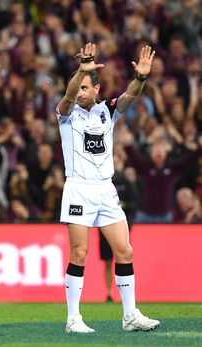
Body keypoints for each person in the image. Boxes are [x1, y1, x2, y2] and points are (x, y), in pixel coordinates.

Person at [56, 43, 160, 333]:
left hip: (105, 190)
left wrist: (140, 78)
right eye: (79, 87)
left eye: (86, 88)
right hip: (78, 188)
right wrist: (82, 70)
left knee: (124, 251)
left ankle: (129, 316)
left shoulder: (107, 112)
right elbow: (66, 96)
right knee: (79, 254)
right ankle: (73, 318)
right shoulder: (67, 114)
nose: (79, 93)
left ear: (97, 90)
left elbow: (129, 97)